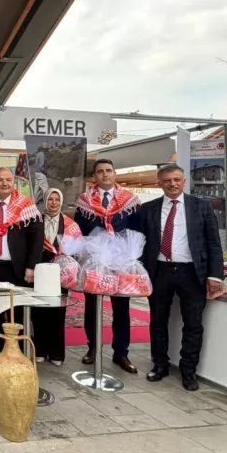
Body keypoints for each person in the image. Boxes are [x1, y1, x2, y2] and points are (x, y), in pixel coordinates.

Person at [138, 164, 226, 391]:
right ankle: (160, 365)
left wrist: (215, 276)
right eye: (167, 180)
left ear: (184, 181)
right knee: (158, 322)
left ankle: (189, 371)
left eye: (177, 179)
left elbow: (214, 244)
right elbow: (139, 243)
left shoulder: (202, 207)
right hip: (159, 271)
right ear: (160, 183)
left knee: (194, 324)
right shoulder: (148, 209)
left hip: (192, 273)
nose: (173, 183)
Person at [74, 159, 141, 373]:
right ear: (95, 176)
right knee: (92, 306)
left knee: (121, 308)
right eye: (100, 172)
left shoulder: (130, 201)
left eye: (108, 171)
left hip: (121, 262)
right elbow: (80, 232)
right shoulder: (84, 201)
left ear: (115, 174)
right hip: (95, 262)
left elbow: (137, 231)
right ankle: (93, 348)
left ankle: (121, 352)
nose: (105, 175)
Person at [0, 167, 43, 355]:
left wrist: (31, 267)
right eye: (0, 180)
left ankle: (20, 356)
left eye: (8, 179)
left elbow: (37, 239)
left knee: (19, 315)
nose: (4, 183)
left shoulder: (26, 206)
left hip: (17, 269)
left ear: (13, 182)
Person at [32, 187, 82, 365]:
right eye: (50, 199)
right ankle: (39, 349)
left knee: (57, 312)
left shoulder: (70, 225)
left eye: (56, 199)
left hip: (60, 274)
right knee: (38, 312)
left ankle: (56, 354)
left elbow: (77, 250)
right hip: (39, 270)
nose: (53, 203)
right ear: (45, 201)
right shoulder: (36, 220)